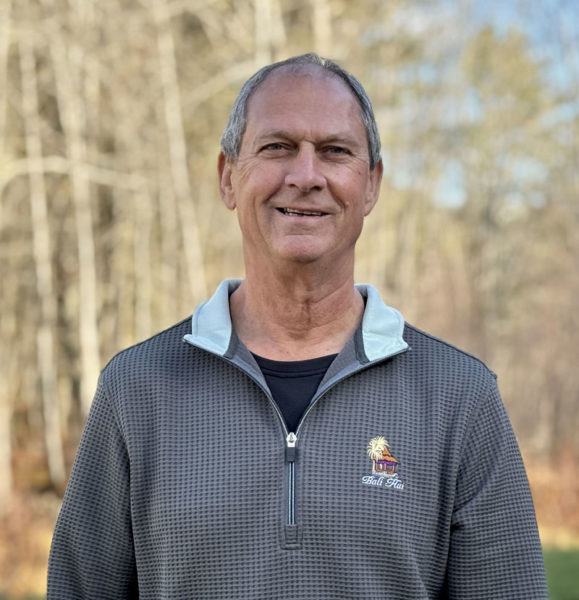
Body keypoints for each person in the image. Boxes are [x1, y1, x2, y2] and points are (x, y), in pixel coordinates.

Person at [47, 53, 548, 599]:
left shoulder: (459, 396)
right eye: (277, 147)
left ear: (371, 186)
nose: (306, 177)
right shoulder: (136, 388)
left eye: (334, 151)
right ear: (228, 179)